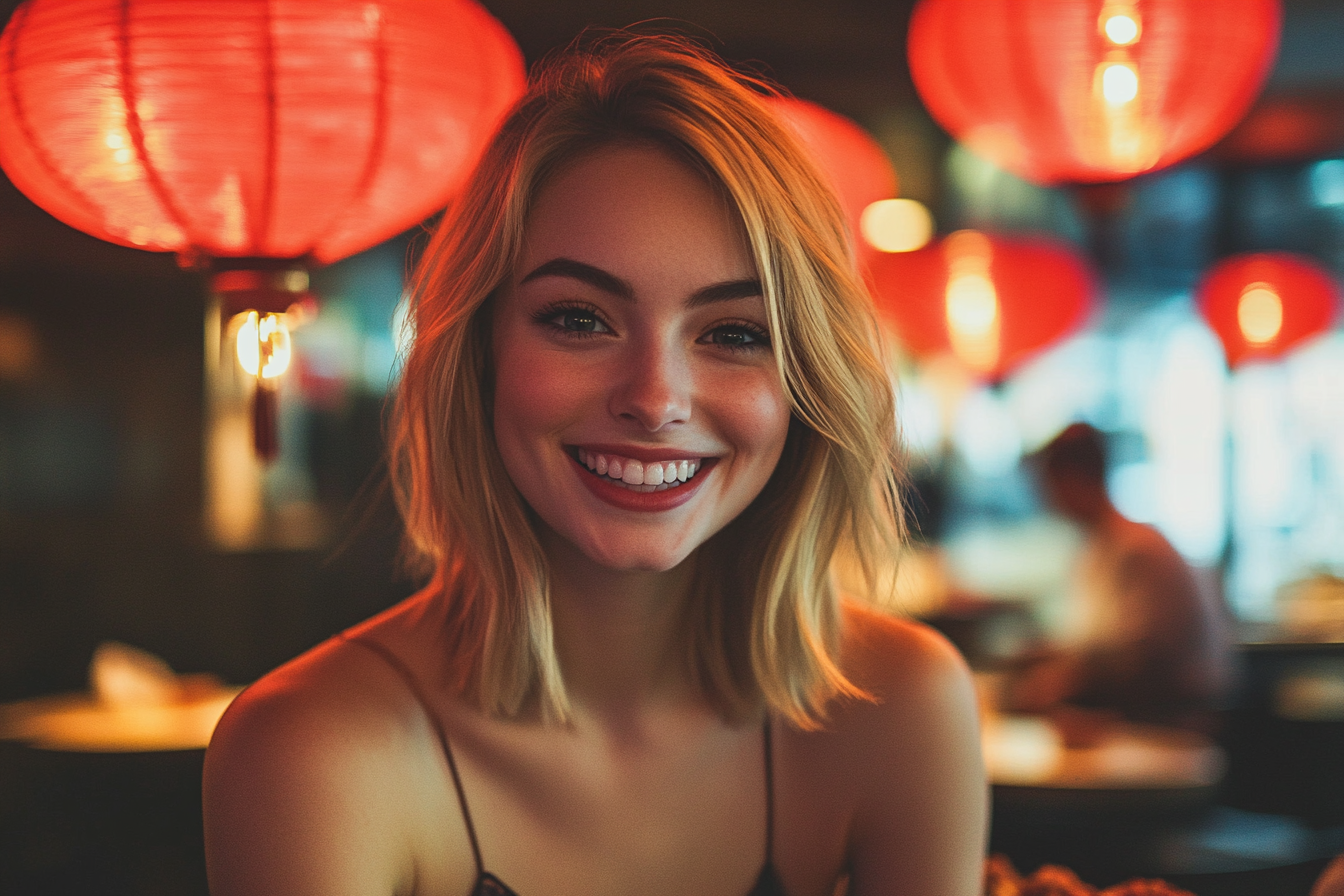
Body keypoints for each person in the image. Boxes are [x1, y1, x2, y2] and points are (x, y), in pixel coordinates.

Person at [202, 33, 987, 896]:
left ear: (808, 385)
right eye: (580, 319)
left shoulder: (901, 709)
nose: (656, 399)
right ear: (479, 352)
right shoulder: (310, 749)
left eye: (733, 333)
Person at [1004, 423, 1236, 733]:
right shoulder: (1101, 546)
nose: (1045, 498)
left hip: (1168, 722)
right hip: (1141, 710)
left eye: (1048, 483)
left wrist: (1057, 680)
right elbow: (1099, 644)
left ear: (1074, 479)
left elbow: (1139, 659)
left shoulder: (1136, 549)